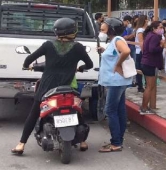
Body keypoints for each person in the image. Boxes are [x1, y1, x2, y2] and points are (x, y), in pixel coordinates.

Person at [11, 18, 93, 155]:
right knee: (76, 110)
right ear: (73, 31)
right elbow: (89, 64)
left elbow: (28, 59)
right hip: (67, 88)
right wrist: (80, 68)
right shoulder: (78, 47)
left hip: (47, 87)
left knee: (34, 113)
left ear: (57, 32)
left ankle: (21, 144)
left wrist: (26, 66)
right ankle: (83, 142)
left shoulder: (48, 45)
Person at [97, 18, 135, 153]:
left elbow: (126, 51)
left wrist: (118, 65)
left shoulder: (118, 39)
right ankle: (119, 139)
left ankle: (116, 142)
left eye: (104, 27)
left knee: (110, 110)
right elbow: (115, 52)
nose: (102, 28)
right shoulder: (113, 41)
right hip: (118, 81)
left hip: (116, 82)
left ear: (111, 28)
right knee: (119, 109)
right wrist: (103, 49)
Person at [140, 21, 164, 114]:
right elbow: (152, 49)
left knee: (149, 86)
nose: (162, 29)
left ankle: (145, 107)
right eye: (160, 27)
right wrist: (161, 46)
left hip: (146, 63)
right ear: (154, 28)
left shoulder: (150, 35)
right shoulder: (154, 37)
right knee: (150, 87)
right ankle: (144, 108)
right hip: (150, 64)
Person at [134, 15, 148, 92]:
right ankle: (140, 86)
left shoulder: (143, 30)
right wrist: (144, 52)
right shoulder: (140, 30)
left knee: (143, 69)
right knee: (140, 69)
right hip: (140, 51)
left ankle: (145, 84)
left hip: (142, 51)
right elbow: (141, 42)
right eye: (147, 20)